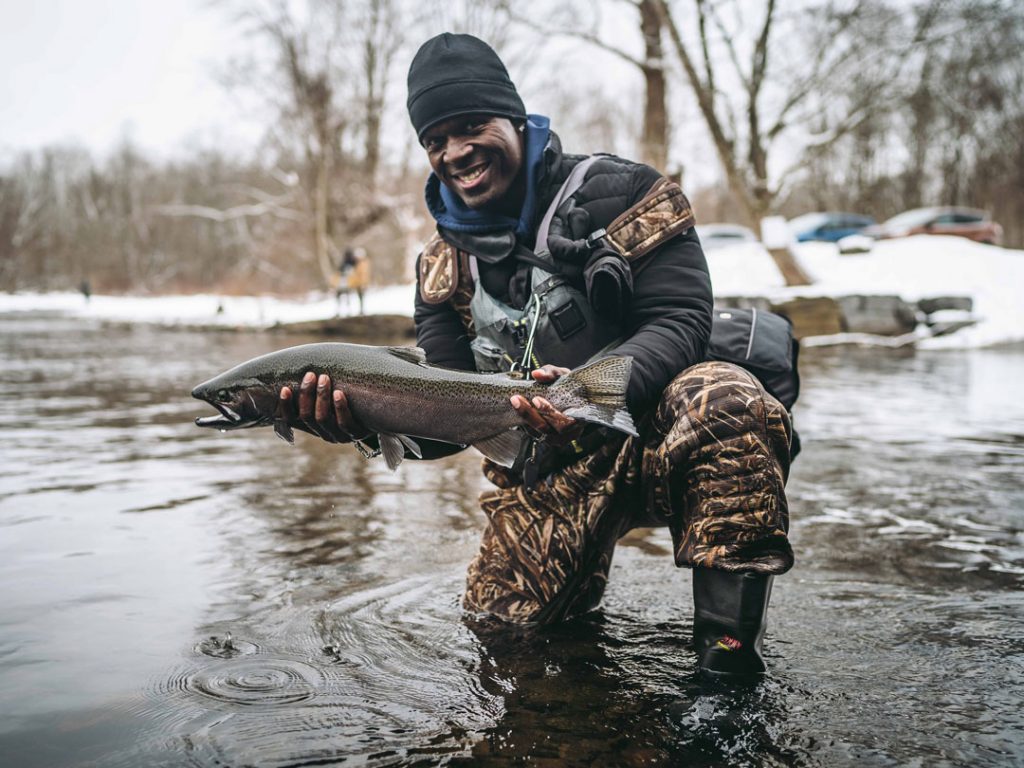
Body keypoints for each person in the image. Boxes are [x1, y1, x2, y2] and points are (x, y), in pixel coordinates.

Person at [280, 33, 794, 680]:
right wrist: (361, 422)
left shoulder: (626, 193)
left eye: (472, 126)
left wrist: (584, 394)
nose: (455, 151)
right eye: (435, 139)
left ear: (516, 120)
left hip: (660, 434)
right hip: (549, 466)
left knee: (726, 398)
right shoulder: (440, 269)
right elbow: (449, 418)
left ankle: (725, 673)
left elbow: (681, 320)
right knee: (503, 636)